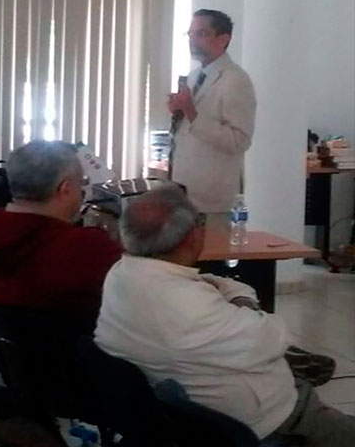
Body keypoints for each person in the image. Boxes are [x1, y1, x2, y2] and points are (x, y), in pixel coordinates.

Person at [94, 186, 355, 445]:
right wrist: (244, 303)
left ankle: (292, 364)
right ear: (191, 236)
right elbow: (274, 337)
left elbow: (216, 283)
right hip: (262, 418)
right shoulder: (187, 305)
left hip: (183, 400)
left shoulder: (121, 274)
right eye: (201, 221)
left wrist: (237, 302)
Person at [0, 140, 122, 330]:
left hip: (14, 347)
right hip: (84, 345)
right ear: (66, 188)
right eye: (81, 184)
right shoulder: (87, 246)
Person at [167, 9, 256, 213]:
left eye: (201, 33)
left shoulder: (236, 80)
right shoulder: (193, 76)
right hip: (183, 189)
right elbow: (190, 126)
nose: (193, 40)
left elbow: (239, 141)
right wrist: (178, 112)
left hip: (212, 198)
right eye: (190, 33)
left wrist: (192, 113)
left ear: (223, 39)